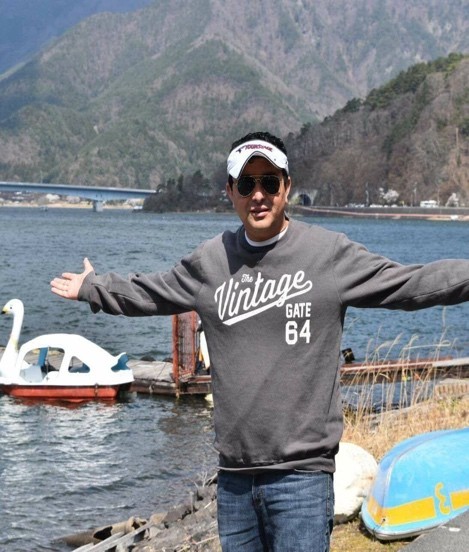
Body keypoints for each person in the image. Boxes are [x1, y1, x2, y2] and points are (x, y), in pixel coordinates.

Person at [51, 131, 469, 552]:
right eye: (246, 183)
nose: (258, 195)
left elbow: (410, 283)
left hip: (302, 479)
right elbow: (150, 292)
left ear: (287, 187)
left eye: (269, 182)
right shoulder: (211, 261)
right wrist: (93, 287)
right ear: (230, 191)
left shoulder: (327, 254)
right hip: (234, 481)